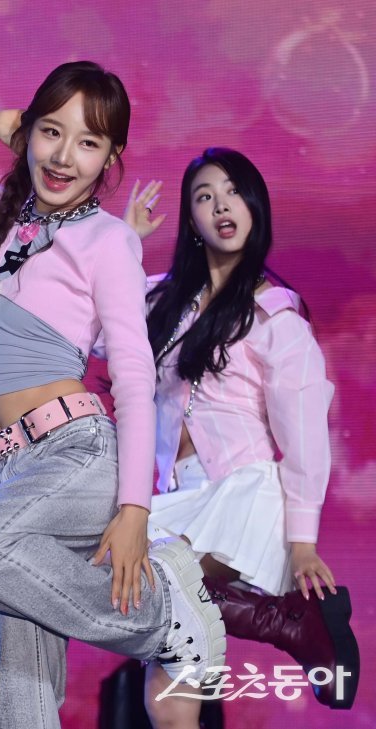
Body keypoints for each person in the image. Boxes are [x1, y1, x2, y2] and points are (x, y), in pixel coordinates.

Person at [0, 61, 226, 728]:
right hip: (5, 471)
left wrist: (133, 509)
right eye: (50, 132)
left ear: (111, 159)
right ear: (29, 132)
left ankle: (162, 615)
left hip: (73, 456)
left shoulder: (108, 240)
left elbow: (134, 374)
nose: (64, 156)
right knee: (16, 704)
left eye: (88, 142)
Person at [124, 150, 359, 724]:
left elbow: (304, 435)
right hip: (174, 499)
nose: (221, 206)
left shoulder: (275, 316)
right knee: (166, 691)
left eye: (232, 192)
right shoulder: (159, 301)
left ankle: (288, 622)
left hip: (242, 494)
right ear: (191, 220)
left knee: (151, 589)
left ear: (255, 206)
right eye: (204, 197)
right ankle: (286, 622)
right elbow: (95, 330)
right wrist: (126, 244)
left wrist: (302, 542)